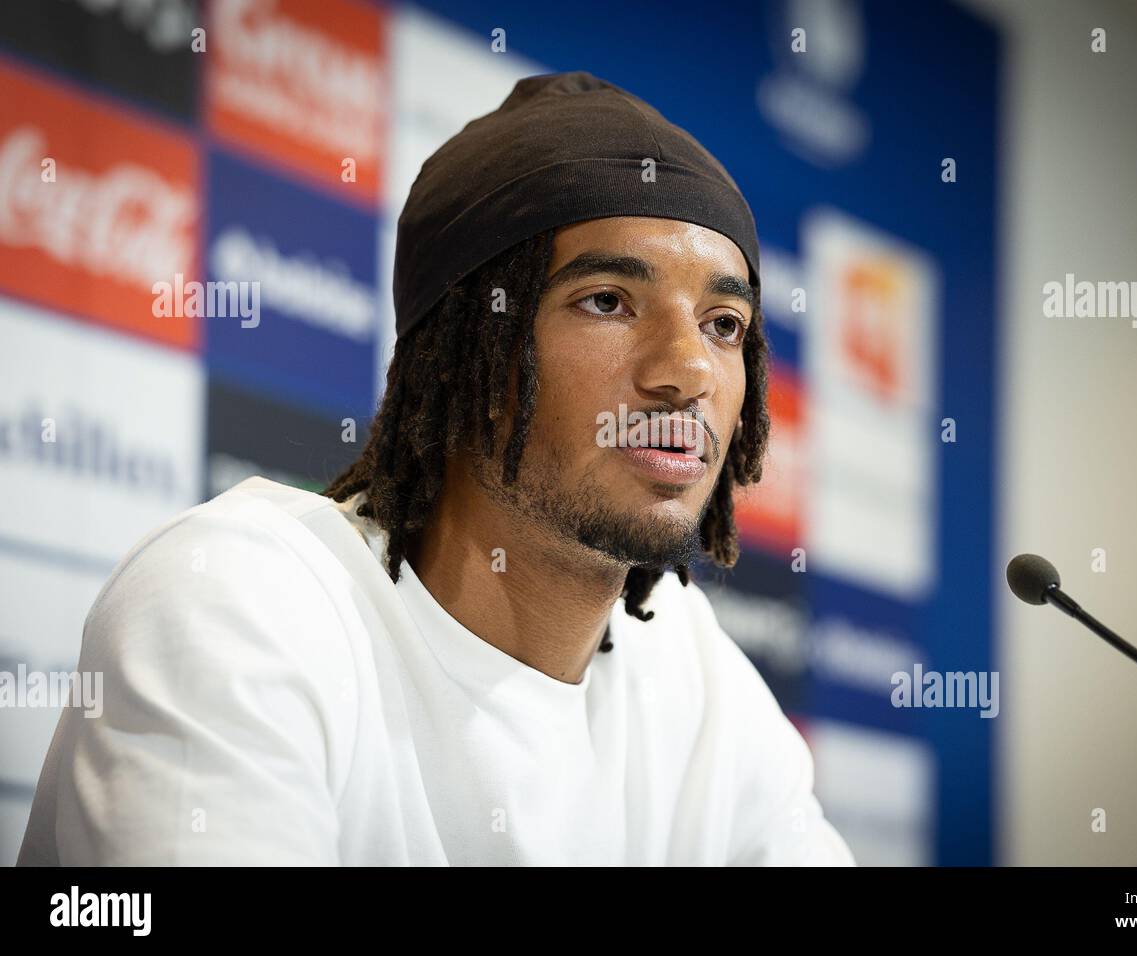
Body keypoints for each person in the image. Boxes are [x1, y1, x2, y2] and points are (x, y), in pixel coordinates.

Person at [18, 71, 855, 866]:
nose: (690, 370)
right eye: (607, 300)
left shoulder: (691, 669)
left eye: (722, 323)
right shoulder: (241, 597)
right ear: (464, 352)